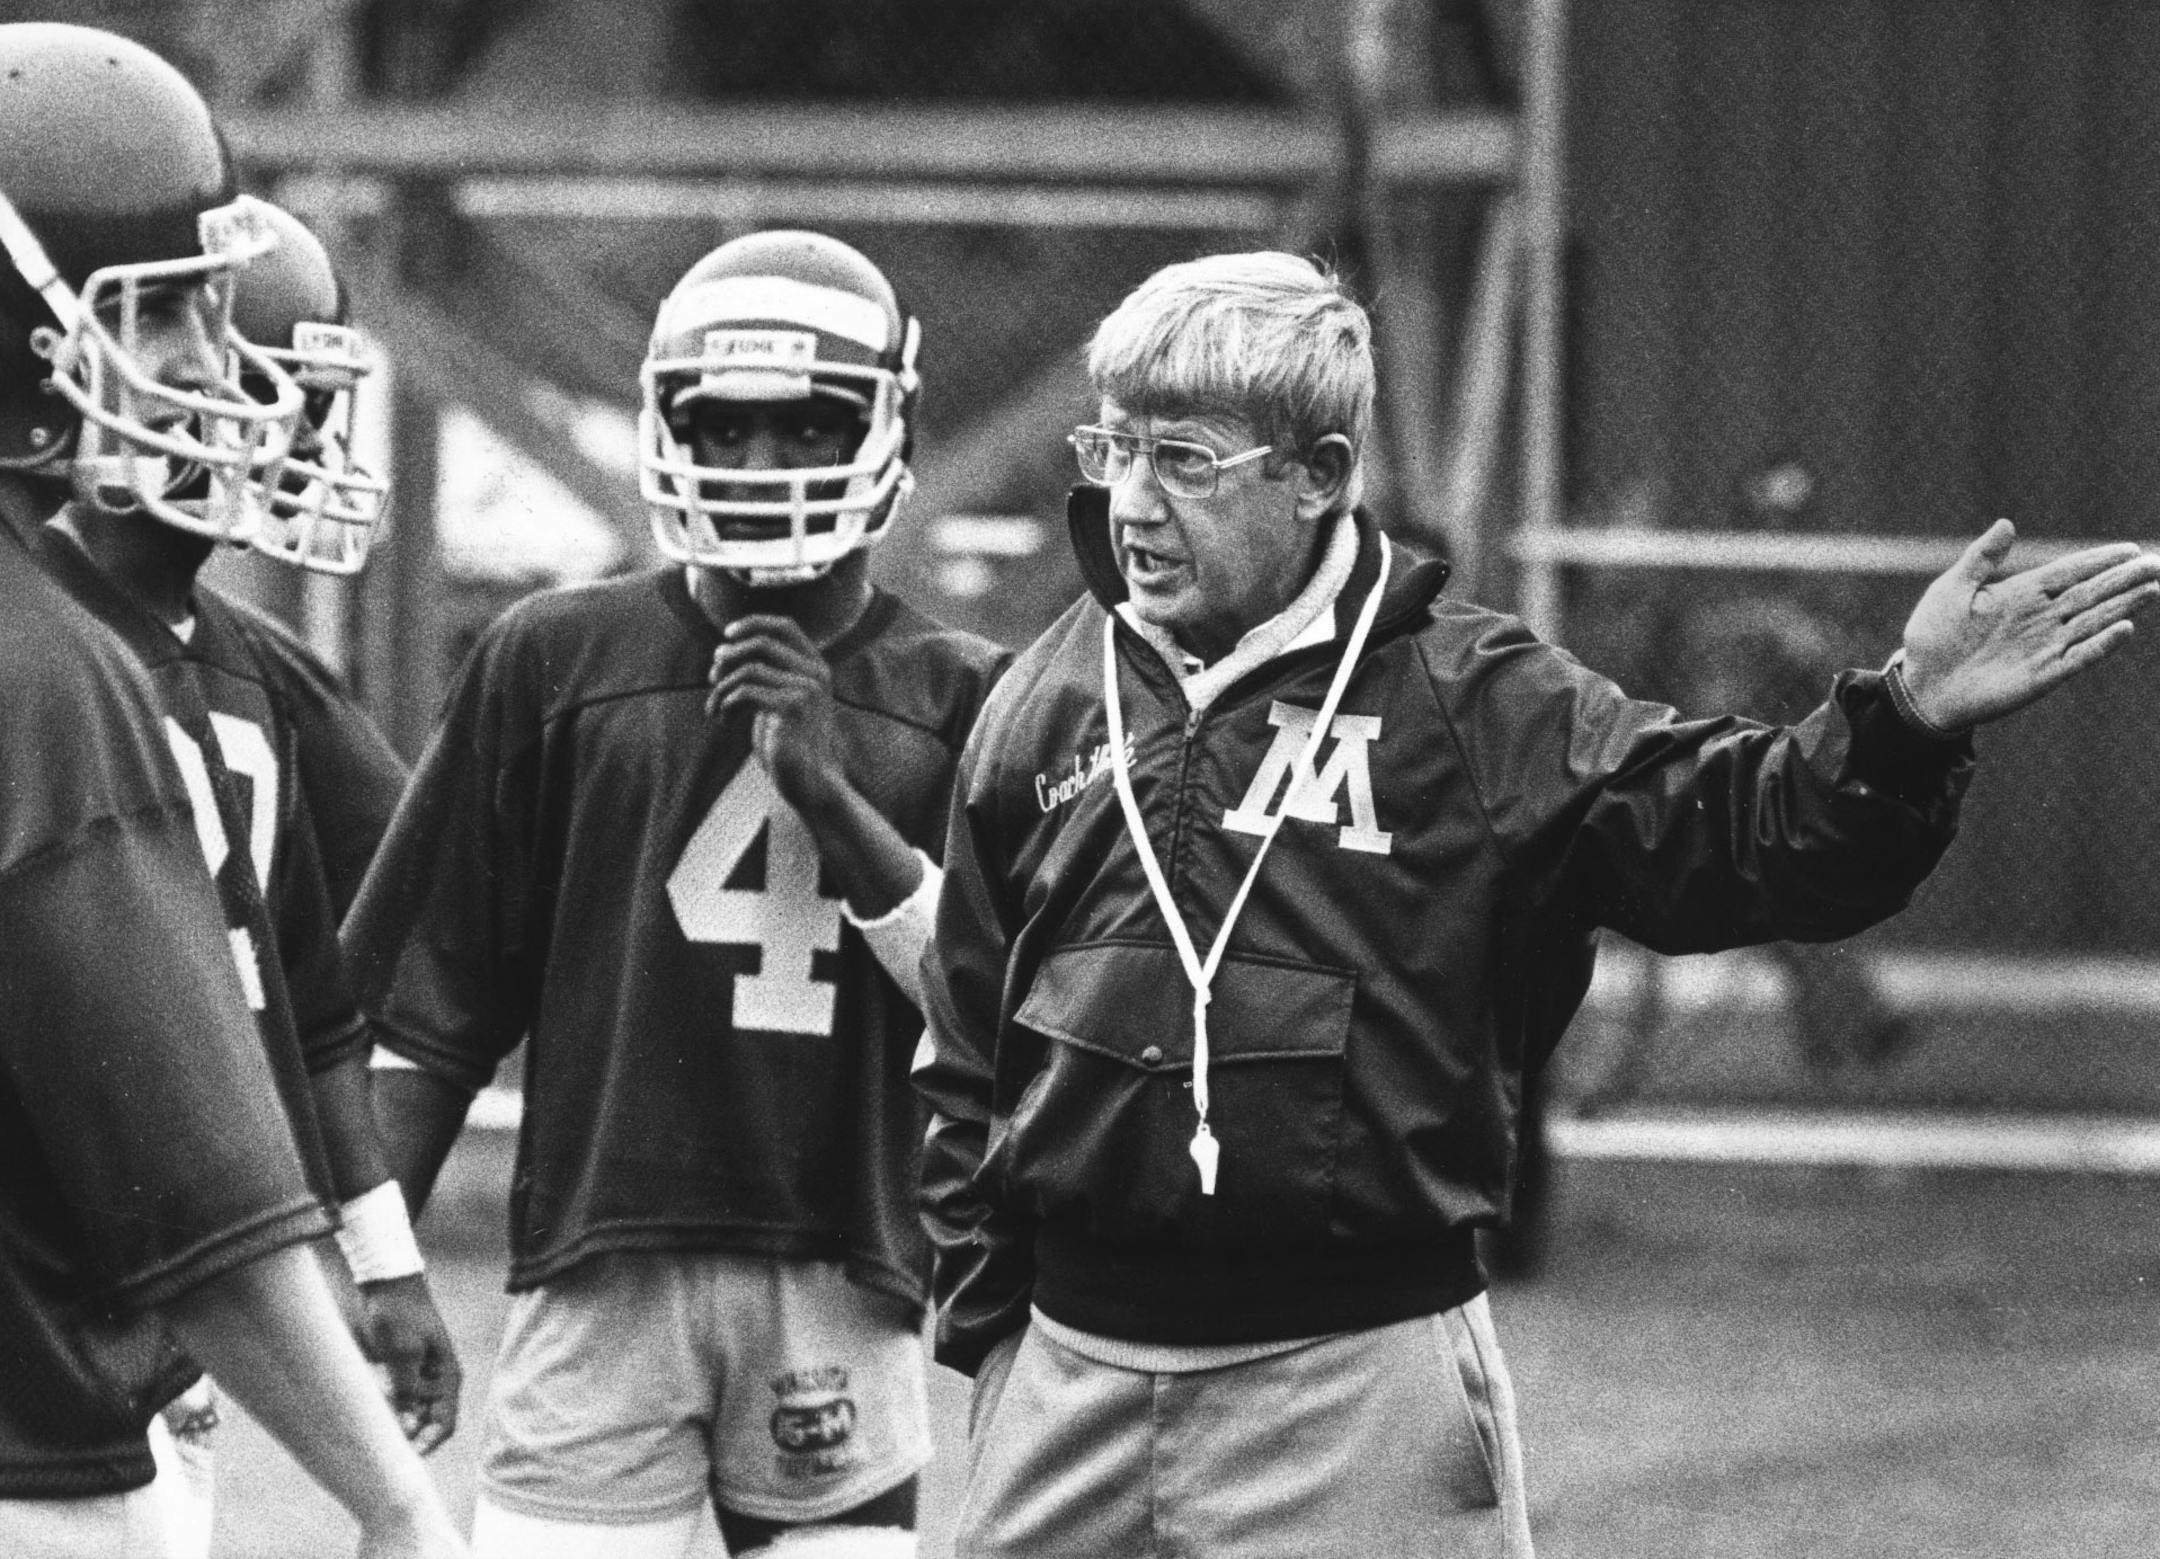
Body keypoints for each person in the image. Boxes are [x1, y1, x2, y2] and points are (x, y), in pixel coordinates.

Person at [911, 250, 2160, 1558]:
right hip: (1070, 1373)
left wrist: (1902, 721)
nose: (1133, 504)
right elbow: (967, 1037)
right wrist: (993, 1333)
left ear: (1319, 475)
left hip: (1352, 1381)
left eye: (1186, 460)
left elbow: (1746, 830)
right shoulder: (1044, 699)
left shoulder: (1476, 703)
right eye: (1113, 450)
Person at [348, 230, 1009, 1559]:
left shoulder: (968, 700)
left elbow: (996, 1018)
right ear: (667, 429)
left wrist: (834, 799)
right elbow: (429, 1013)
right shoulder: (554, 659)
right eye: (728, 428)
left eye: (805, 427)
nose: (761, 466)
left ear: (886, 427)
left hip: (841, 1263)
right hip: (600, 1264)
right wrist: (375, 1264)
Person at [0, 21, 464, 1558]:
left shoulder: (237, 673)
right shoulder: (53, 670)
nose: (216, 377)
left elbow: (316, 984)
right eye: (175, 315)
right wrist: (395, 1505)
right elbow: (187, 1185)